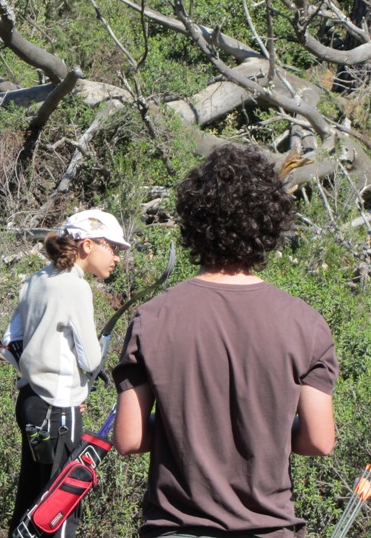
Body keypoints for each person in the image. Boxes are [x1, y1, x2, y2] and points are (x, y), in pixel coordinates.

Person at [112, 144, 338, 538]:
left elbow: (129, 440)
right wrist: (266, 429)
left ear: (194, 223)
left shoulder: (153, 318)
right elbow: (320, 441)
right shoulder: (305, 323)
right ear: (270, 223)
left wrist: (181, 430)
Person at [4, 209, 130, 537]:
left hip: (30, 402)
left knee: (31, 502)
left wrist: (43, 374)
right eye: (113, 248)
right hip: (58, 412)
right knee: (59, 510)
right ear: (88, 245)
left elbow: (10, 344)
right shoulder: (76, 288)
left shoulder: (35, 280)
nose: (116, 257)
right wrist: (70, 389)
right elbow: (89, 359)